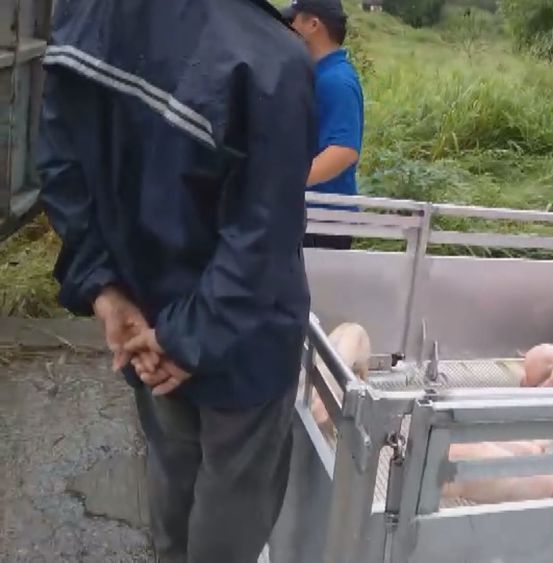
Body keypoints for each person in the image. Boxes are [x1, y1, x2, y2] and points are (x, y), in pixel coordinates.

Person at [36, 0, 315, 560]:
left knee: (171, 496)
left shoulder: (86, 15)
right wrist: (188, 340)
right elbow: (261, 238)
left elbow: (62, 167)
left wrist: (107, 294)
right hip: (238, 348)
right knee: (229, 515)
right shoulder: (272, 58)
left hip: (145, 323)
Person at [284, 0, 365, 250]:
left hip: (325, 220)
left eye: (292, 21)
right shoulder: (318, 75)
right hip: (312, 215)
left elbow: (343, 150)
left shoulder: (336, 81)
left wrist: (284, 182)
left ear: (313, 24)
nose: (288, 29)